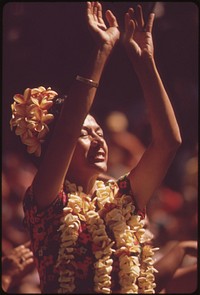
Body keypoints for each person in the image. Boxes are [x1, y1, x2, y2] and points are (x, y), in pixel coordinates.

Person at [10, 2, 182, 293]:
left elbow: (168, 143)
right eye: (85, 134)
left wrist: (145, 62)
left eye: (99, 131)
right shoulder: (46, 201)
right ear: (55, 152)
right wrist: (102, 50)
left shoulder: (125, 196)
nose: (99, 139)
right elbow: (65, 130)